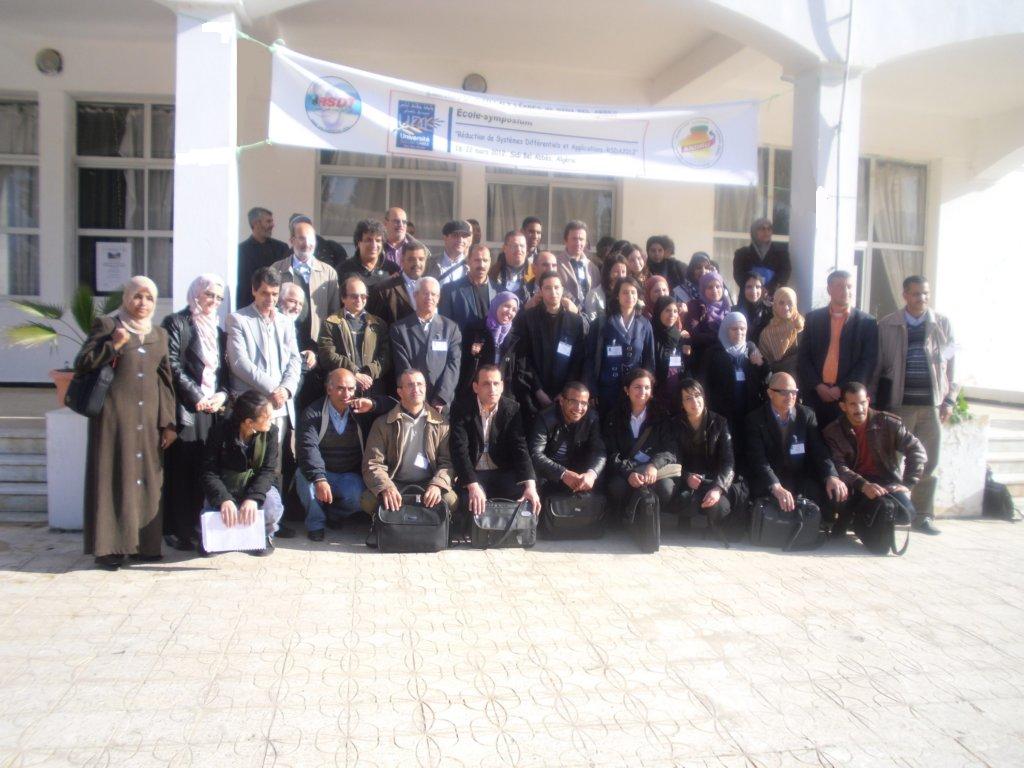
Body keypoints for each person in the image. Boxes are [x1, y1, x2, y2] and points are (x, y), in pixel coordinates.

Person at [76, 275, 176, 570]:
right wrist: (114, 345)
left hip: (149, 420)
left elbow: (165, 381)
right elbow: (82, 363)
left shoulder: (159, 334)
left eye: (149, 298)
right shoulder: (108, 326)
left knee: (147, 479)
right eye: (137, 296)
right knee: (115, 476)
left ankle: (145, 545)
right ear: (126, 297)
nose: (143, 303)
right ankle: (110, 549)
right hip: (114, 418)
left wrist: (168, 423)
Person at [876, 275, 956, 535]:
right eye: (916, 293)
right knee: (892, 460)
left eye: (925, 293)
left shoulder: (941, 324)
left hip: (930, 406)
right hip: (900, 405)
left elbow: (951, 366)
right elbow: (878, 366)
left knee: (928, 462)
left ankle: (922, 516)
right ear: (905, 295)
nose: (921, 298)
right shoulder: (888, 325)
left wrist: (950, 399)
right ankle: (892, 511)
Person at [161, 273, 229, 552]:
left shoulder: (218, 331)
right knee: (181, 470)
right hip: (186, 409)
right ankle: (177, 529)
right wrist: (197, 395)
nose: (213, 301)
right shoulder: (176, 323)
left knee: (204, 468)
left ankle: (197, 527)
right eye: (209, 294)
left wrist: (221, 395)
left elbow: (224, 373)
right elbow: (171, 365)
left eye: (218, 297)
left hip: (211, 410)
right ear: (196, 293)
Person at [822, 381, 927, 540]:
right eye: (853, 404)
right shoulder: (833, 432)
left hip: (885, 482)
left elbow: (916, 450)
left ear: (868, 401)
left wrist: (908, 484)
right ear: (843, 406)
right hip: (853, 484)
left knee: (906, 513)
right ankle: (853, 519)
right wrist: (864, 486)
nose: (859, 409)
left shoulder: (888, 423)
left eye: (862, 403)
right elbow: (839, 466)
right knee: (835, 495)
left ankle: (863, 520)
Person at [296, 368, 392, 541]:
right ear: (329, 389)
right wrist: (319, 478)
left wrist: (373, 404)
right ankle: (316, 524)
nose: (346, 394)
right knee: (304, 480)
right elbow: (308, 448)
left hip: (348, 474)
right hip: (322, 471)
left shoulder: (360, 410)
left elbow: (394, 404)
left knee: (359, 496)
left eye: (351, 389)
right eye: (340, 388)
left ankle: (335, 514)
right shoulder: (313, 413)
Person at [745, 372, 848, 523]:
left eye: (794, 392)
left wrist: (831, 475)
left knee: (833, 490)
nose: (790, 397)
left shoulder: (806, 415)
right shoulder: (755, 419)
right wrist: (776, 487)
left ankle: (826, 528)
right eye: (784, 392)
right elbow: (758, 460)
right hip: (768, 479)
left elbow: (819, 450)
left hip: (798, 477)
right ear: (770, 393)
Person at [225, 266, 302, 464]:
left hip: (279, 406)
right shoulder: (238, 319)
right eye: (264, 293)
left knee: (273, 465)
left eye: (275, 294)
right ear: (254, 290)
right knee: (247, 462)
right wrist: (274, 388)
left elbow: (295, 360)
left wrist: (286, 389)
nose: (270, 299)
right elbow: (239, 363)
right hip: (251, 405)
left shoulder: (286, 322)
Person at [449, 365, 541, 529]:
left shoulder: (512, 408)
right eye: (486, 384)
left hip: (501, 471)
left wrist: (530, 486)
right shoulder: (461, 408)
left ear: (502, 386)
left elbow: (520, 447)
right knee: (467, 499)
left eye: (496, 384)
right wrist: (472, 485)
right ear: (476, 387)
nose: (492, 389)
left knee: (524, 495)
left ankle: (511, 533)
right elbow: (459, 450)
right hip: (474, 473)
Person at [360, 369, 458, 516]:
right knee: (368, 501)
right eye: (410, 385)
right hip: (395, 482)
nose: (416, 389)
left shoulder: (441, 423)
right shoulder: (382, 424)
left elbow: (448, 462)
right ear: (399, 391)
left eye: (420, 384)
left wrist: (437, 485)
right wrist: (386, 487)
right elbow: (373, 463)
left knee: (450, 500)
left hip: (428, 482)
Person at [200, 390, 284, 556]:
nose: (271, 420)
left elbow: (268, 470)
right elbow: (209, 471)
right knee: (213, 512)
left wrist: (253, 498)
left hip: (255, 484)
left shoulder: (271, 432)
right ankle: (213, 539)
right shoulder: (220, 431)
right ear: (249, 422)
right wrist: (223, 499)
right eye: (266, 417)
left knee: (272, 506)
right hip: (226, 484)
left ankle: (264, 535)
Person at [798, 270, 878, 428]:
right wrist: (818, 385)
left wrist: (841, 388)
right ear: (829, 289)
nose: (846, 291)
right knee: (814, 440)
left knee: (844, 441)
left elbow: (867, 362)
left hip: (848, 399)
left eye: (849, 286)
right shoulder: (813, 319)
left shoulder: (867, 323)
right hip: (815, 396)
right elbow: (803, 357)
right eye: (840, 286)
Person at [668, 378, 743, 532]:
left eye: (697, 395)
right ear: (682, 404)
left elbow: (728, 462)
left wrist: (718, 488)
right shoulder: (674, 424)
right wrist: (687, 477)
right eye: (688, 398)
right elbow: (673, 458)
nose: (694, 401)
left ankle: (714, 526)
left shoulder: (720, 423)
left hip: (712, 480)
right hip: (688, 480)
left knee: (719, 507)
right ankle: (685, 519)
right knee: (684, 501)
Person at [602, 368, 675, 517]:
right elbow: (611, 452)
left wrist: (654, 466)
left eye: (647, 387)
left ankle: (650, 517)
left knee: (666, 488)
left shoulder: (661, 415)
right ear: (626, 390)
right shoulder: (614, 417)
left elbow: (670, 449)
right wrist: (628, 473)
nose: (643, 391)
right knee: (617, 487)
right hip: (626, 469)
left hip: (652, 470)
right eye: (637, 387)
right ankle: (624, 517)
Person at [518, 270, 590, 419]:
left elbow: (577, 360)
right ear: (540, 291)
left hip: (565, 396)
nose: (553, 292)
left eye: (557, 287)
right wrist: (538, 390)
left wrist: (565, 391)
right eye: (548, 288)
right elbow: (524, 358)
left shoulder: (575, 321)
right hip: (533, 392)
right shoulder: (528, 318)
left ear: (562, 290)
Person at [703, 312, 765, 472]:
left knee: (747, 446)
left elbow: (765, 377)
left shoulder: (751, 349)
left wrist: (761, 365)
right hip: (723, 411)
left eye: (742, 329)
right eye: (734, 329)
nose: (739, 332)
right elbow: (705, 383)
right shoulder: (714, 352)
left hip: (748, 408)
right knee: (727, 447)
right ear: (726, 329)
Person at [390, 276, 462, 412]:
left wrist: (441, 397)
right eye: (425, 293)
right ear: (415, 295)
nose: (430, 297)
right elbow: (402, 366)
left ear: (438, 298)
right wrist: (417, 396)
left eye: (434, 294)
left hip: (440, 404)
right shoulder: (399, 329)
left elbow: (453, 364)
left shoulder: (451, 328)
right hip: (412, 401)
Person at [589, 276, 655, 417]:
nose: (629, 296)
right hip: (606, 390)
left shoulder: (645, 324)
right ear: (617, 295)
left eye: (633, 292)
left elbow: (649, 360)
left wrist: (646, 388)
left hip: (634, 391)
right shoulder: (602, 323)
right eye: (625, 292)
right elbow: (590, 359)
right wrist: (592, 389)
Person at [528, 381, 606, 500]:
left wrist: (591, 474)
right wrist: (563, 473)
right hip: (549, 471)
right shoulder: (545, 417)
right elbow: (535, 454)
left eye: (584, 403)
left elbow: (599, 451)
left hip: (577, 470)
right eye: (573, 401)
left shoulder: (592, 418)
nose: (578, 408)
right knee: (534, 482)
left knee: (600, 480)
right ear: (561, 401)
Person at [271, 218, 341, 348]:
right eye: (302, 238)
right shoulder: (277, 269)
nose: (307, 244)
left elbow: (334, 312)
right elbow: (270, 306)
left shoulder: (328, 273)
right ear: (292, 241)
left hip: (317, 344)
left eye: (311, 239)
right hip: (283, 342)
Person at [317, 275, 391, 397]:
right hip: (342, 391)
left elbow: (386, 357)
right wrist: (354, 373)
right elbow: (327, 355)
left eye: (363, 296)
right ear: (343, 298)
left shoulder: (379, 324)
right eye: (354, 296)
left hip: (371, 388)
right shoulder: (330, 323)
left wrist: (368, 373)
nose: (359, 300)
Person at [458, 291, 525, 397]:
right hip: (476, 392)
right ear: (496, 305)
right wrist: (472, 353)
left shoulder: (517, 336)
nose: (509, 312)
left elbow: (519, 370)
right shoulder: (475, 329)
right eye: (506, 306)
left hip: (503, 395)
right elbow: (462, 362)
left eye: (514, 310)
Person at [367, 239, 428, 326]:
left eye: (421, 259)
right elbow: (376, 325)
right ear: (402, 261)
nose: (417, 263)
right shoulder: (384, 289)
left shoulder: (431, 288)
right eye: (411, 259)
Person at [439, 244, 499, 332]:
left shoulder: (499, 291)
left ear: (490, 262)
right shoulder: (450, 291)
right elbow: (444, 327)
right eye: (477, 260)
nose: (481, 265)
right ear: (468, 261)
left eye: (485, 260)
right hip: (461, 341)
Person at [237, 207, 289, 308]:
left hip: (276, 306)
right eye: (268, 221)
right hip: (248, 306)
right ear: (256, 223)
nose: (272, 225)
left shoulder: (281, 248)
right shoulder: (240, 251)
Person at [733, 217, 791, 298]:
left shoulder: (781, 254)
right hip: (749, 297)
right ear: (754, 231)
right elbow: (738, 275)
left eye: (769, 229)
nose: (766, 232)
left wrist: (769, 288)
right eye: (762, 229)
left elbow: (784, 273)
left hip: (773, 297)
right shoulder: (742, 254)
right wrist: (755, 289)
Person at [686, 270, 732, 372]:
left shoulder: (728, 307)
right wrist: (721, 338)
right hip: (704, 360)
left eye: (718, 286)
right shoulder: (696, 306)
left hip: (726, 359)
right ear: (703, 289)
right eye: (710, 287)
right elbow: (694, 334)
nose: (715, 290)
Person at [336, 218, 399, 290]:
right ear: (359, 243)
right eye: (368, 240)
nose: (374, 245)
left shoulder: (392, 269)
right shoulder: (344, 269)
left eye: (378, 240)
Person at [650, 296, 689, 412]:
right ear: (659, 312)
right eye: (667, 310)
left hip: (676, 388)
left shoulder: (678, 336)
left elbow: (683, 364)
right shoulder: (651, 334)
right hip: (656, 389)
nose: (672, 314)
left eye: (675, 311)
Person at [757, 286, 804, 378]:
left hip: (803, 379)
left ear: (795, 304)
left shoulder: (803, 326)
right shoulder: (767, 333)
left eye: (790, 303)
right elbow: (764, 364)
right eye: (781, 303)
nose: (786, 307)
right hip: (779, 381)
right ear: (775, 305)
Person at [556, 220, 601, 306]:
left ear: (586, 242)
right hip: (565, 311)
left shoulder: (593, 268)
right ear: (565, 241)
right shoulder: (556, 264)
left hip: (589, 313)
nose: (578, 243)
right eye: (574, 239)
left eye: (581, 239)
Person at [489, 229, 532, 302]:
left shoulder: (534, 273)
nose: (519, 249)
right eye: (514, 246)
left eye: (522, 246)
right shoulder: (493, 273)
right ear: (504, 248)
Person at [426, 219, 472, 285]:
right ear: (445, 238)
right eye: (455, 235)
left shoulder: (471, 265)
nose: (460, 240)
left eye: (464, 236)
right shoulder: (430, 263)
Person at [582, 253, 627, 321]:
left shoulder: (629, 292)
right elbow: (592, 322)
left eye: (623, 272)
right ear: (608, 272)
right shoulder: (594, 295)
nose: (620, 276)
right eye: (616, 272)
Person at [732, 273, 771, 343]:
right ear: (743, 289)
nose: (754, 291)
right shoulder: (734, 312)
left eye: (758, 287)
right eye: (749, 287)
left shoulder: (770, 310)